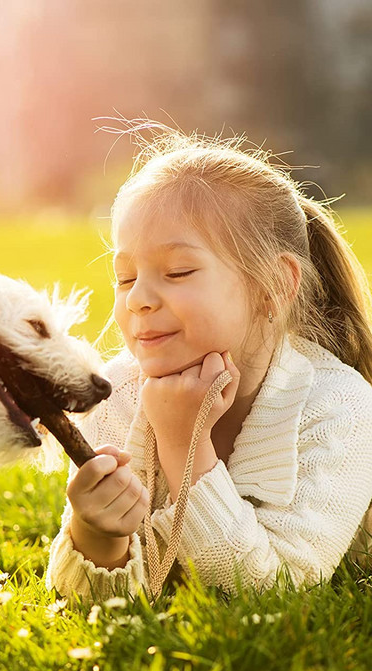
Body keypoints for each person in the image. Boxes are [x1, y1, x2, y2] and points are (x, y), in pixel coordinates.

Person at [45, 126, 372, 602]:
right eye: (125, 277)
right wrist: (99, 535)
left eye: (177, 271)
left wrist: (185, 444)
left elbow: (276, 590)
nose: (138, 299)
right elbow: (98, 602)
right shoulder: (116, 395)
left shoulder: (341, 407)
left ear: (274, 286)